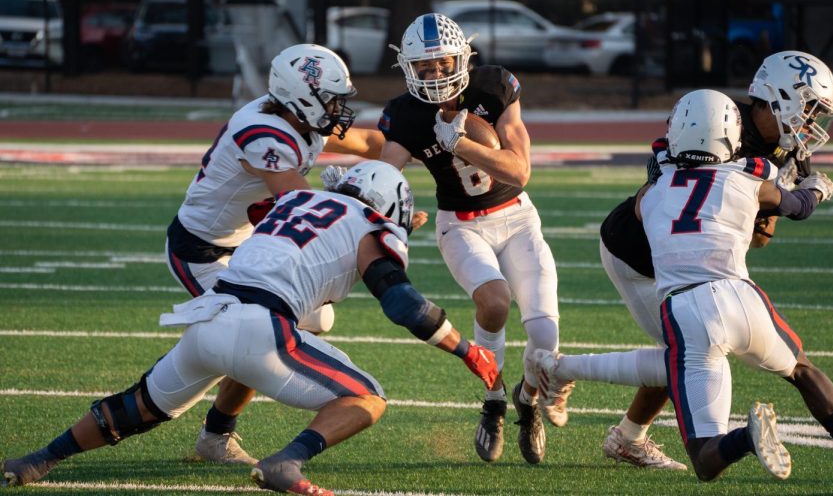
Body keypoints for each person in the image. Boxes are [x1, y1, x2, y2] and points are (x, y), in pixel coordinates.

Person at [1, 161, 499, 495]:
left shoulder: (292, 203)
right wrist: (466, 351)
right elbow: (402, 303)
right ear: (387, 205)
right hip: (260, 329)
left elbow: (311, 229)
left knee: (138, 406)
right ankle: (288, 461)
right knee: (366, 397)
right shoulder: (372, 223)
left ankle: (39, 459)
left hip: (209, 316)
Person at [535, 90, 833, 495]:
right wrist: (817, 190)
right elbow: (796, 206)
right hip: (742, 298)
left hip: (689, 311)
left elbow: (654, 197)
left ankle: (745, 438)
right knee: (803, 371)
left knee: (706, 460)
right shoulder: (748, 180)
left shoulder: (648, 197)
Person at [580, 50, 833, 471]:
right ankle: (555, 376)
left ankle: (623, 433)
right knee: (685, 349)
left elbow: (759, 239)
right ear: (781, 97)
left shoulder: (786, 148)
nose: (812, 123)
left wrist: (768, 206)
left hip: (696, 265)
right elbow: (662, 174)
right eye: (808, 108)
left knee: (688, 345)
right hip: (641, 252)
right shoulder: (713, 116)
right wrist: (783, 196)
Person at [165, 43, 384, 465]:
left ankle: (213, 433)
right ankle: (173, 413)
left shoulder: (302, 116)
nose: (338, 108)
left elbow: (371, 143)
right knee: (249, 335)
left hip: (250, 246)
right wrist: (357, 202)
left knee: (311, 319)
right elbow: (294, 199)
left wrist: (434, 150)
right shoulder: (264, 132)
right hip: (201, 250)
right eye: (331, 99)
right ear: (302, 96)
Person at [377, 13, 563, 465]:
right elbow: (383, 177)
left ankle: (529, 400)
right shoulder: (404, 113)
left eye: (443, 63)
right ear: (409, 69)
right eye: (425, 66)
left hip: (516, 216)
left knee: (544, 333)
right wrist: (376, 206)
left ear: (463, 58)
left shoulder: (494, 87)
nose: (436, 74)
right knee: (495, 301)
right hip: (459, 224)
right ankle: (495, 400)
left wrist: (459, 143)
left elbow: (519, 172)